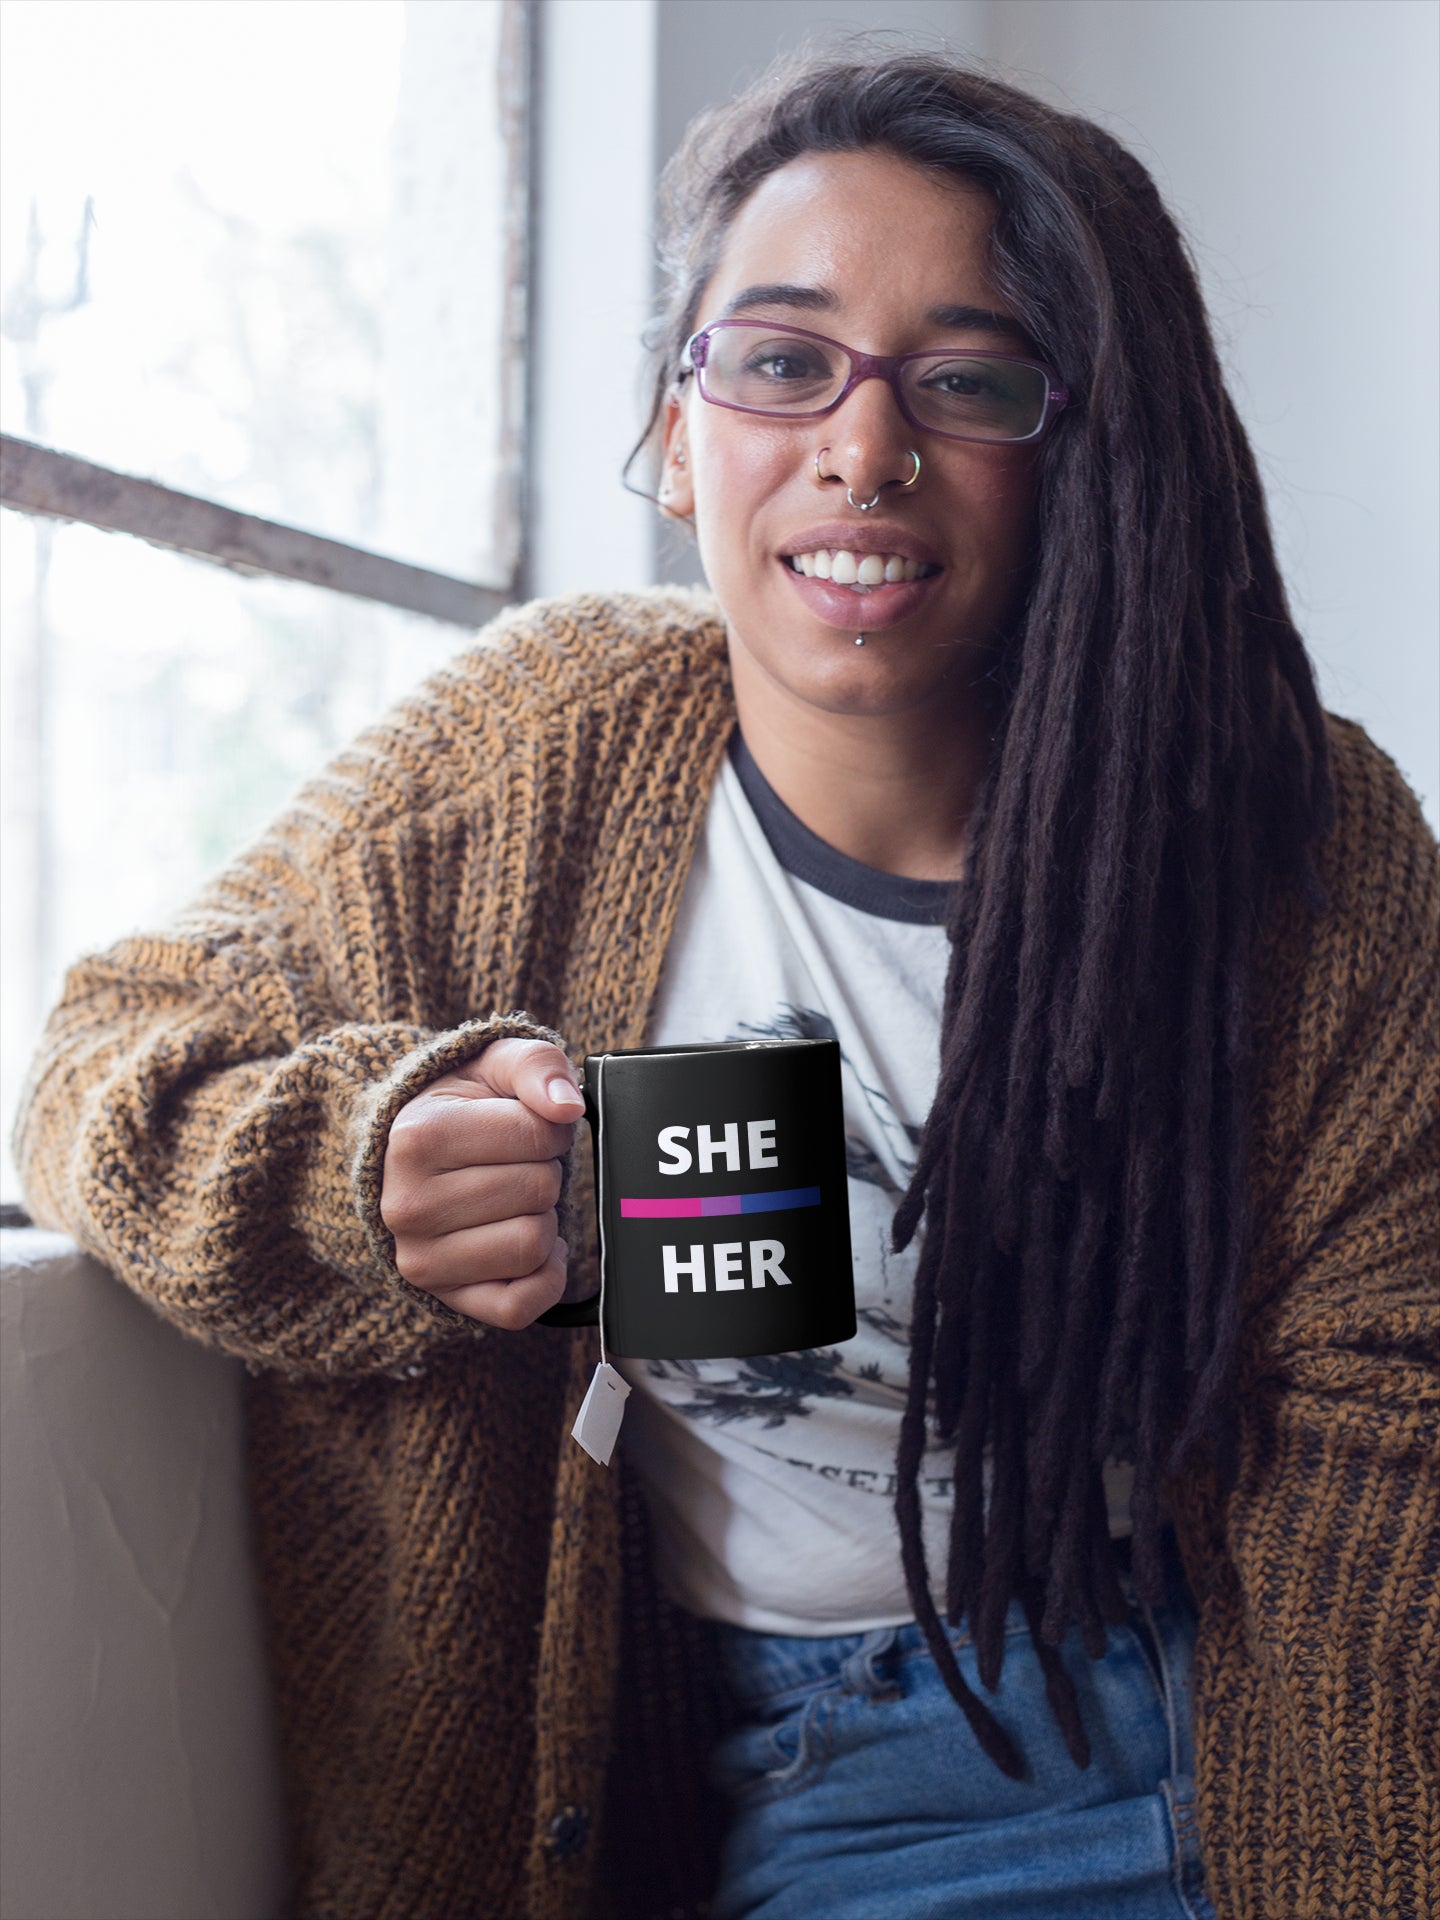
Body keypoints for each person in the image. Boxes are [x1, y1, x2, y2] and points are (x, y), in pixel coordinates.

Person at [11, 46, 1437, 1920]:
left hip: (1252, 1707)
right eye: (780, 361)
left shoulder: (1292, 833)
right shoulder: (544, 754)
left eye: (968, 378)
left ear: (1083, 450)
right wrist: (362, 1175)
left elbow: (1389, 1421)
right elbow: (101, 1060)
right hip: (806, 1764)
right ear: (678, 434)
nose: (863, 446)